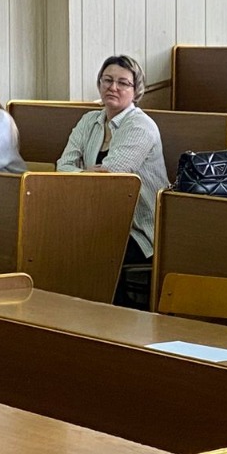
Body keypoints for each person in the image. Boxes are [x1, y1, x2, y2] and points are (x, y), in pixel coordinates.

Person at [57, 55, 169, 303]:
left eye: (123, 83)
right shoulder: (90, 120)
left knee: (84, 251)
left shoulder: (140, 126)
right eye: (107, 80)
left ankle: (108, 317)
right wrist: (88, 174)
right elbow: (62, 166)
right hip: (95, 220)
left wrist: (82, 174)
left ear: (136, 90)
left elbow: (110, 180)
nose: (113, 87)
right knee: (54, 242)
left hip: (139, 230)